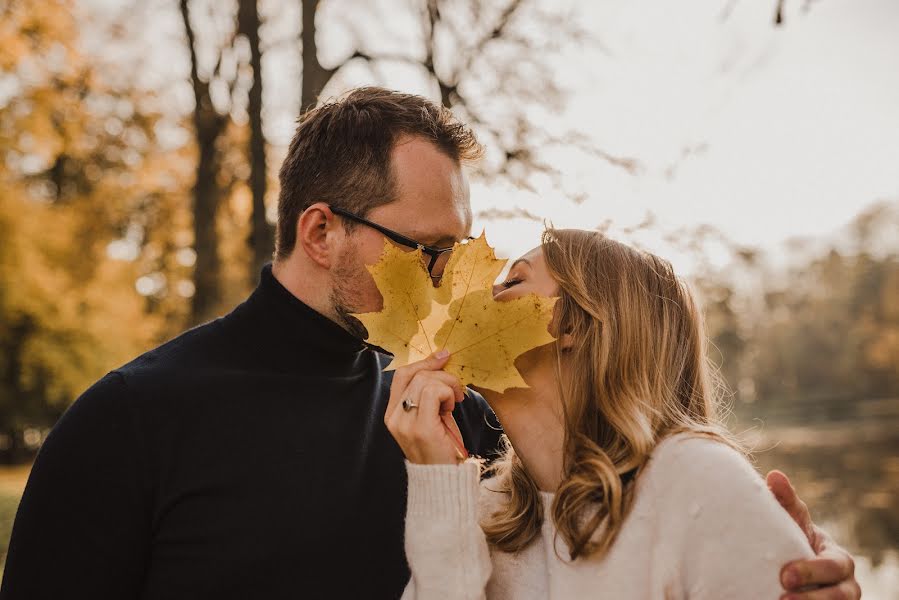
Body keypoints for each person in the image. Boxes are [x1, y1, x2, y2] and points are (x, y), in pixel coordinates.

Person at [1, 89, 857, 599]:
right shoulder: (131, 421)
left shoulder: (464, 428)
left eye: (471, 251)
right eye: (431, 251)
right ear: (321, 230)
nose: (458, 281)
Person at [387, 229, 864, 600]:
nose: (478, 296)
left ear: (576, 324)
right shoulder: (493, 513)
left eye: (512, 281)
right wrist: (438, 482)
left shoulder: (696, 481)